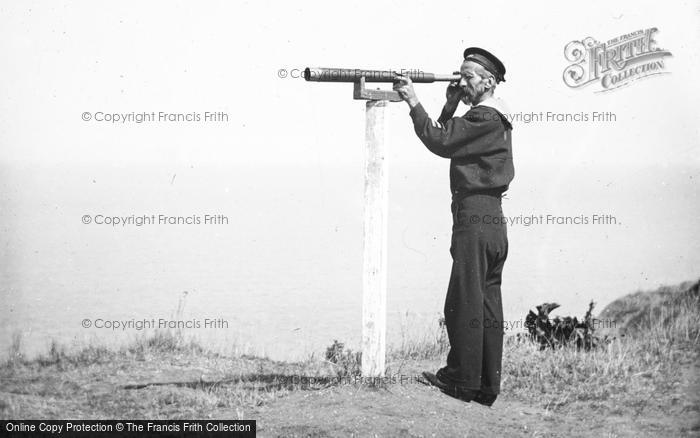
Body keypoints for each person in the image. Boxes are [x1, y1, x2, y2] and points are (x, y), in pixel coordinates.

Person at [393, 47, 513, 407]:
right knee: (487, 303)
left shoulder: (484, 117)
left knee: (463, 301)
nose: (461, 81)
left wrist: (412, 100)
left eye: (468, 76)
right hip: (492, 220)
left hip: (474, 217)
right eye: (459, 75)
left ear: (488, 82)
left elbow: (440, 140)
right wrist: (449, 105)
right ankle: (484, 386)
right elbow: (451, 133)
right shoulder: (494, 117)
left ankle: (461, 380)